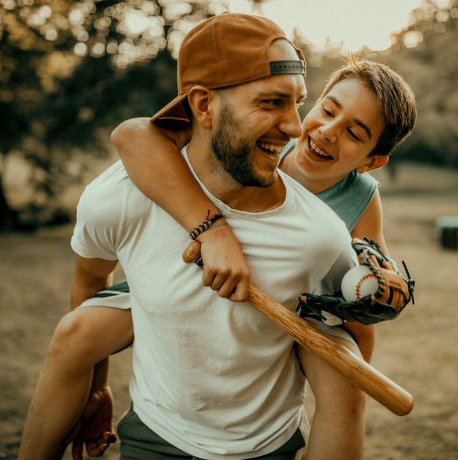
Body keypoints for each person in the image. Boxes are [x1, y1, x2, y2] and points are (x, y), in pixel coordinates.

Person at [19, 12, 365, 460]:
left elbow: (349, 346)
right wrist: (96, 384)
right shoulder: (119, 198)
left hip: (269, 448)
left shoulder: (319, 236)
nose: (296, 127)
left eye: (297, 102)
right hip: (155, 438)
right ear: (203, 106)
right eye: (270, 103)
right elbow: (89, 285)